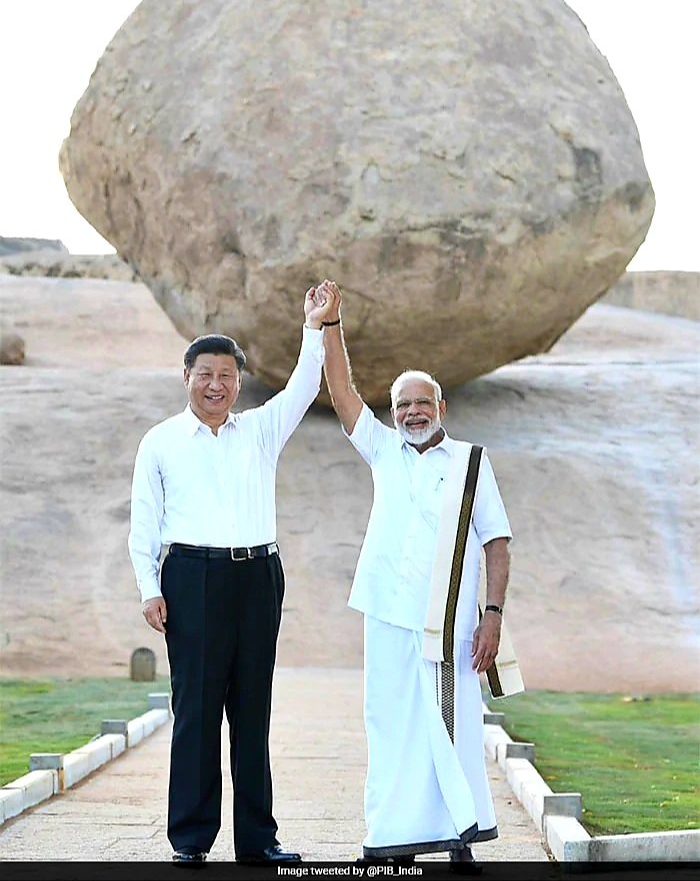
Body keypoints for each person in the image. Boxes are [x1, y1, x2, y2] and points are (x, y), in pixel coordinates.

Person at [127, 285, 335, 867]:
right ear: (186, 377)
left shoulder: (260, 430)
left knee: (252, 709)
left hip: (258, 578)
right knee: (195, 711)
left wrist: (313, 328)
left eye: (226, 375)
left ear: (239, 381)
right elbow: (144, 521)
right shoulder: (161, 441)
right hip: (190, 578)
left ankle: (258, 840)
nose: (215, 384)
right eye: (204, 374)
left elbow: (303, 388)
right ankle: (190, 840)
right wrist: (150, 588)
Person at [318, 280, 514, 873]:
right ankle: (391, 836)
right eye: (402, 404)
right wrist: (331, 326)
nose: (412, 412)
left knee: (451, 724)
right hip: (385, 611)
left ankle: (458, 832)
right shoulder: (382, 450)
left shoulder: (472, 463)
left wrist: (493, 617)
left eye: (422, 402)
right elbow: (343, 390)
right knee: (389, 721)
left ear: (442, 408)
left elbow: (498, 544)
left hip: (450, 623)